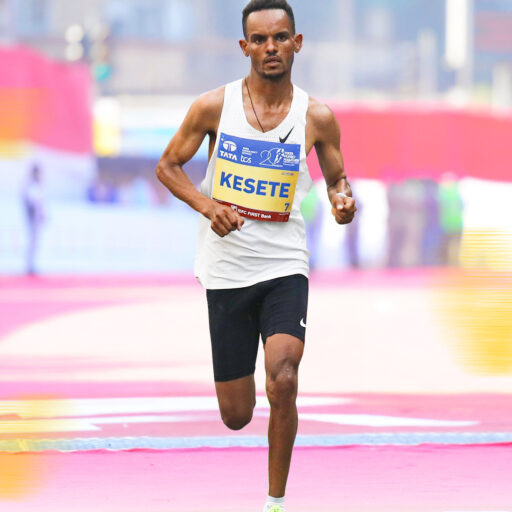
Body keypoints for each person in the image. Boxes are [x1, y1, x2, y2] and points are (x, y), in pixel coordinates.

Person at [156, 1, 356, 510]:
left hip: (285, 264)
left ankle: (275, 501)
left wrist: (342, 201)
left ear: (297, 43)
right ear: (244, 47)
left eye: (281, 37)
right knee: (237, 414)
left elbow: (337, 178)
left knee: (284, 378)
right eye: (260, 40)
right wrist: (209, 206)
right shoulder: (212, 108)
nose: (271, 48)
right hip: (226, 268)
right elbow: (168, 166)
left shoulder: (316, 116)